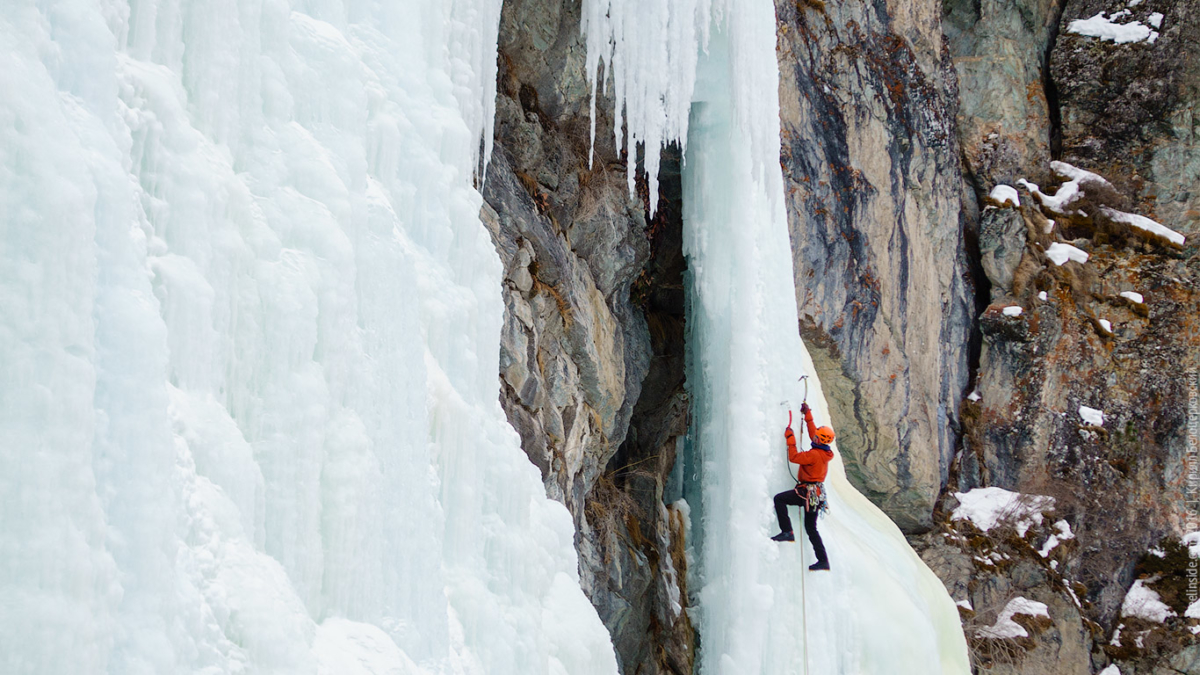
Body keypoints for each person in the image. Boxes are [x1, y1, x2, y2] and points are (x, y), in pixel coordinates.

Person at [771, 402, 834, 571]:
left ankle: (787, 531)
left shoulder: (814, 455)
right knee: (811, 528)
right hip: (816, 495)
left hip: (808, 492)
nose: (813, 437)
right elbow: (814, 432)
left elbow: (794, 457)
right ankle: (823, 560)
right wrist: (808, 416)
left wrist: (790, 439)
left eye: (816, 437)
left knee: (779, 499)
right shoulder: (824, 452)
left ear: (819, 440)